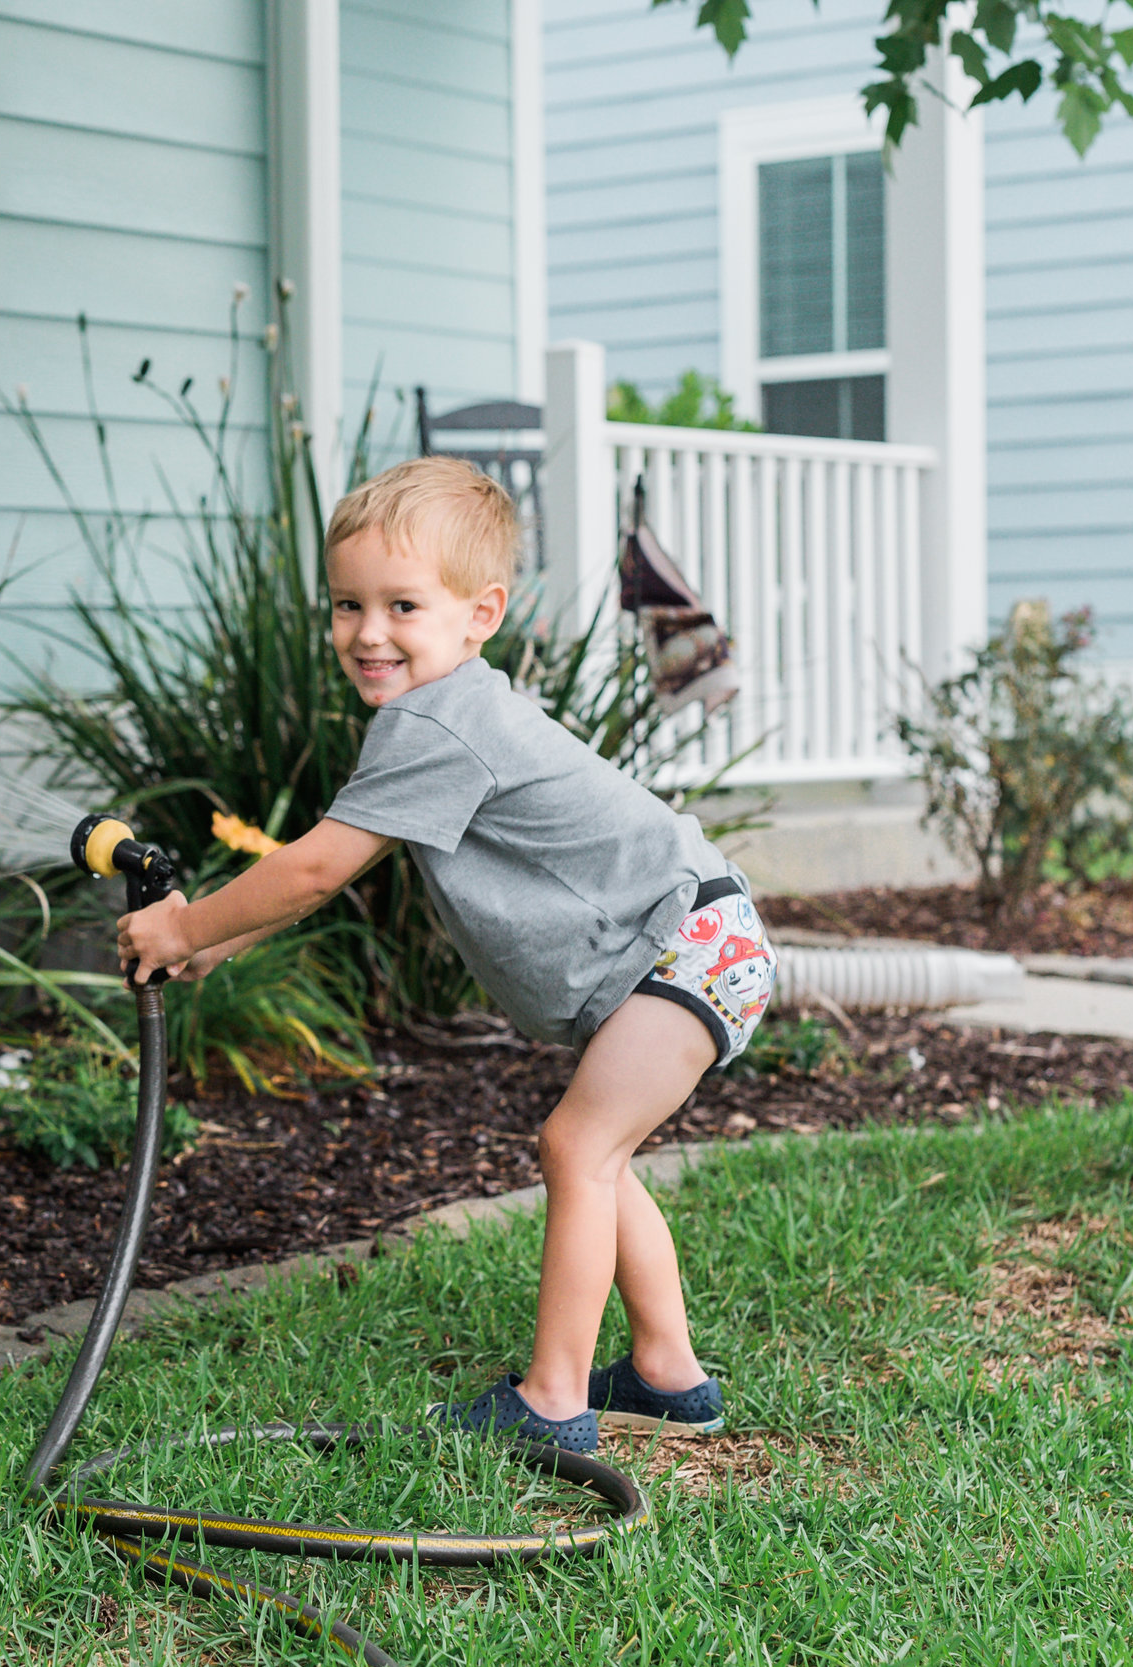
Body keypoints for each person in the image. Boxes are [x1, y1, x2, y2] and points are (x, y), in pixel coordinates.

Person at [113, 455, 771, 1452]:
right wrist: (215, 944)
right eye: (347, 604)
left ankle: (553, 1403)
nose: (368, 631)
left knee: (578, 1148)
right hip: (690, 936)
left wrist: (181, 925)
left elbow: (312, 870)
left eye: (402, 605)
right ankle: (665, 1377)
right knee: (601, 1154)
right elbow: (341, 863)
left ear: (480, 614)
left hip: (687, 941)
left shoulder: (438, 720)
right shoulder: (437, 715)